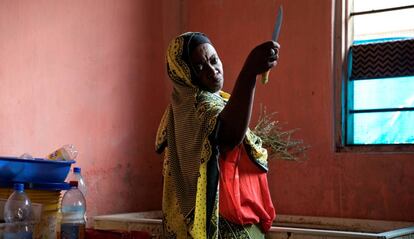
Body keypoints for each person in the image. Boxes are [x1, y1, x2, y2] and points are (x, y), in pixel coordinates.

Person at [155, 32, 279, 238]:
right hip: (217, 223)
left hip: (231, 216)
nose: (212, 70)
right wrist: (248, 73)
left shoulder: (193, 105)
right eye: (200, 67)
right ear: (183, 74)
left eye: (213, 60)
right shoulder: (196, 105)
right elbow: (229, 135)